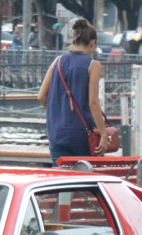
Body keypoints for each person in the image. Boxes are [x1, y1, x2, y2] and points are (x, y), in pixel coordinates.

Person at [37, 17, 110, 162]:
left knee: (61, 178)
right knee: (84, 178)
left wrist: (57, 111)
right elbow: (93, 103)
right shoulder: (93, 65)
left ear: (73, 41)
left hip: (56, 132)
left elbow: (41, 96)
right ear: (92, 43)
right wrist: (103, 134)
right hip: (81, 134)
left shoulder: (57, 62)